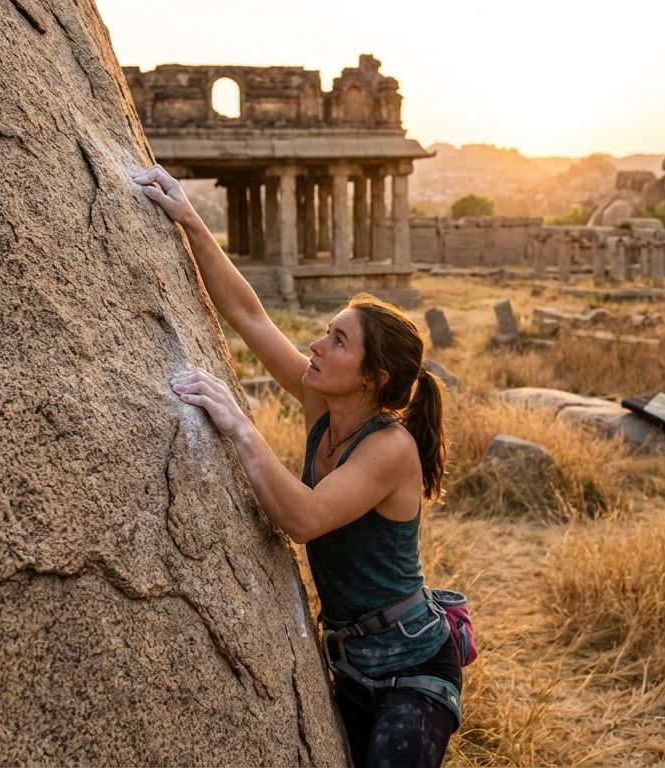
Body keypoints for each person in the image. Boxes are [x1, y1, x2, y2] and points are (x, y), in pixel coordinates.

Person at [135, 165, 461, 767]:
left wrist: (239, 425)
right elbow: (252, 317)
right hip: (351, 660)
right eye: (326, 333)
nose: (316, 345)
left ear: (373, 378)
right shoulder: (323, 399)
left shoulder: (389, 448)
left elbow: (307, 518)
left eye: (338, 341)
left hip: (412, 667)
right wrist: (189, 219)